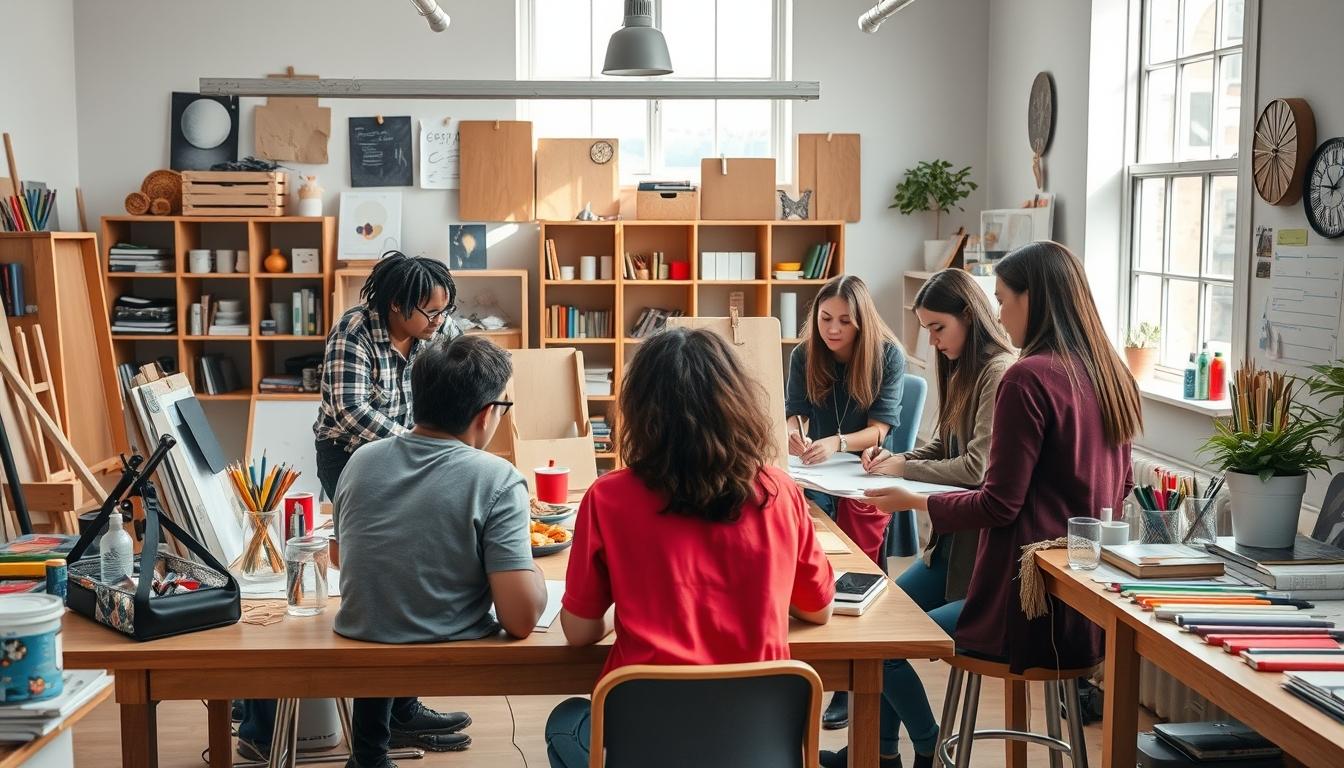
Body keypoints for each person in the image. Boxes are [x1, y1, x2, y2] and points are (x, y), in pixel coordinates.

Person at [863, 241, 1140, 760]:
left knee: (879, 642)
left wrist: (914, 502)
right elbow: (1121, 489)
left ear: (1034, 300)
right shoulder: (1112, 375)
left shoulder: (1025, 376)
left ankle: (917, 752)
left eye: (1004, 300)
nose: (999, 314)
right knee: (887, 622)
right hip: (1081, 614)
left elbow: (998, 504)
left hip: (1021, 607)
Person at [544, 328, 836, 768]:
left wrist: (626, 606)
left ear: (640, 410)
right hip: (755, 748)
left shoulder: (607, 498)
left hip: (646, 743)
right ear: (738, 406)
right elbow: (819, 610)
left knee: (566, 721)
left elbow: (579, 632)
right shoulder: (780, 492)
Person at [236, 251, 464, 762]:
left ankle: (401, 709)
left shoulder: (435, 332)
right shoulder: (354, 332)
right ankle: (378, 729)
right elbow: (350, 409)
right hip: (350, 457)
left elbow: (459, 371)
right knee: (378, 577)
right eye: (429, 313)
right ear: (396, 306)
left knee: (407, 575)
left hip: (413, 452)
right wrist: (421, 445)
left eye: (444, 311)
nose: (439, 322)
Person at [820, 268, 1015, 768]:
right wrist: (899, 458)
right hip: (946, 547)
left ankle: (926, 744)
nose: (929, 339)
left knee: (883, 645)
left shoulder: (999, 373)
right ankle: (881, 753)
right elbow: (942, 446)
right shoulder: (958, 366)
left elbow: (976, 466)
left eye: (937, 328)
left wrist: (905, 465)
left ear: (970, 318)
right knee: (874, 631)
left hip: (975, 554)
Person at [333, 334, 548, 768]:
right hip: (445, 644)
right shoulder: (497, 478)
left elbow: (342, 556)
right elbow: (521, 621)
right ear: (486, 415)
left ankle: (380, 741)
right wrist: (534, 574)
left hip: (361, 630)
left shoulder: (361, 460)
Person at [784, 274, 905, 730]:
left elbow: (881, 430)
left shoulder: (886, 356)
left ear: (862, 322)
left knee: (854, 574)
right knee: (810, 563)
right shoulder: (804, 353)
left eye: (844, 322)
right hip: (815, 471)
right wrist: (796, 431)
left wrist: (836, 442)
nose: (832, 329)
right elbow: (795, 408)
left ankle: (845, 685)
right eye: (825, 318)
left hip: (860, 469)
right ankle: (811, 667)